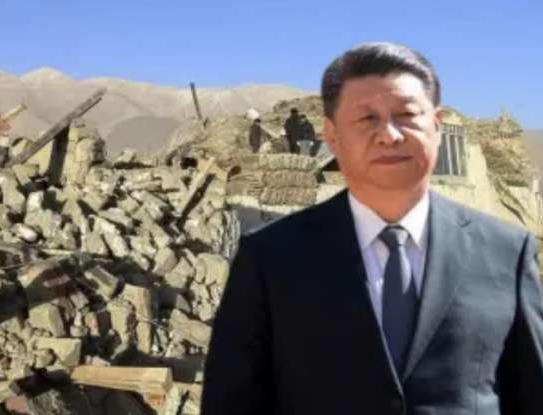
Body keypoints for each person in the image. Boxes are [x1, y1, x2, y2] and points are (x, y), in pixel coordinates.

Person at [202, 42, 543, 415]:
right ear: (332, 136)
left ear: (436, 125)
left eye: (407, 114)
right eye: (367, 119)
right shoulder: (270, 259)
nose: (390, 135)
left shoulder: (506, 254)